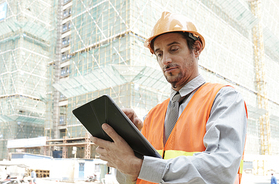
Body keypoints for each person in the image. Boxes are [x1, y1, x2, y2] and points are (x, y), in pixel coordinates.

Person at [90, 11, 248, 184]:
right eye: (159, 54)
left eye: (173, 49)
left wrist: (139, 166)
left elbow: (221, 169)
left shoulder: (223, 98)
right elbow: (129, 179)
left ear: (196, 49)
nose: (165, 60)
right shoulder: (152, 116)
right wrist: (131, 145)